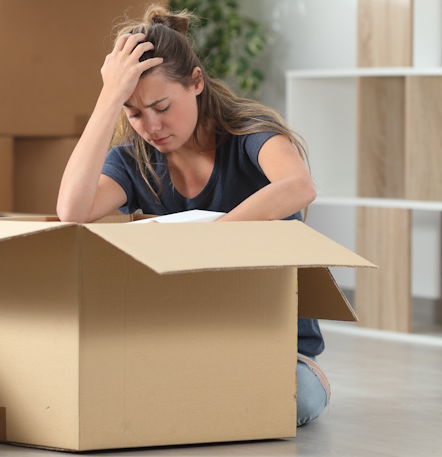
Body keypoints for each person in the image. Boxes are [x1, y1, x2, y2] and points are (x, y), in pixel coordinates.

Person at [56, 4, 329, 426]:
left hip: (272, 343)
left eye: (162, 106)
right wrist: (108, 97)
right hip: (184, 338)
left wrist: (202, 245)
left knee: (298, 400)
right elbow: (72, 211)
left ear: (196, 82)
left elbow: (299, 186)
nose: (151, 126)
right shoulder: (133, 161)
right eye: (134, 112)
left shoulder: (249, 134)